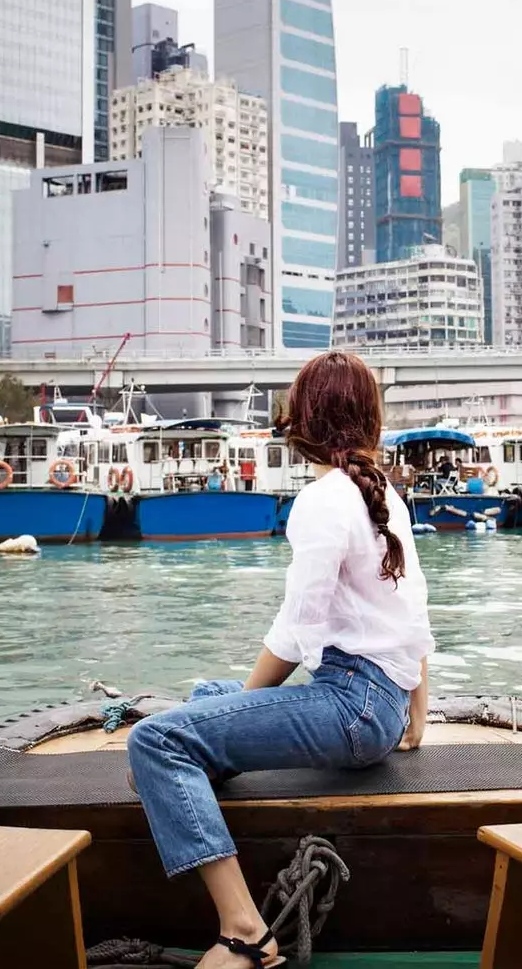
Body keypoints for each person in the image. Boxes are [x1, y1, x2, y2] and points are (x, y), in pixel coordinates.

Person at [127, 352, 433, 969]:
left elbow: (297, 634)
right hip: (381, 706)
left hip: (351, 705)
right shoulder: (381, 496)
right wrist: (414, 717)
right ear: (369, 417)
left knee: (154, 743)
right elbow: (415, 615)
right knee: (207, 694)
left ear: (305, 418)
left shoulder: (324, 500)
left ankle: (244, 931)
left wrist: (249, 699)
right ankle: (202, 768)